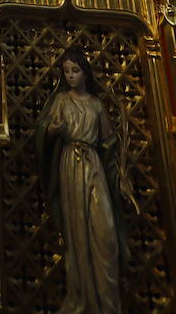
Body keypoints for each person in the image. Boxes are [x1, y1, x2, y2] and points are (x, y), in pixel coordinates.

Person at [35, 48, 125, 314]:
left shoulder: (96, 104)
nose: (71, 76)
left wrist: (120, 176)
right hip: (70, 165)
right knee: (77, 233)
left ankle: (108, 303)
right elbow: (44, 129)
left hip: (94, 165)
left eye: (75, 71)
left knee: (104, 231)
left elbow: (108, 142)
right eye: (66, 71)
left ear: (85, 73)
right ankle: (81, 298)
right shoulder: (61, 100)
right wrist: (54, 130)